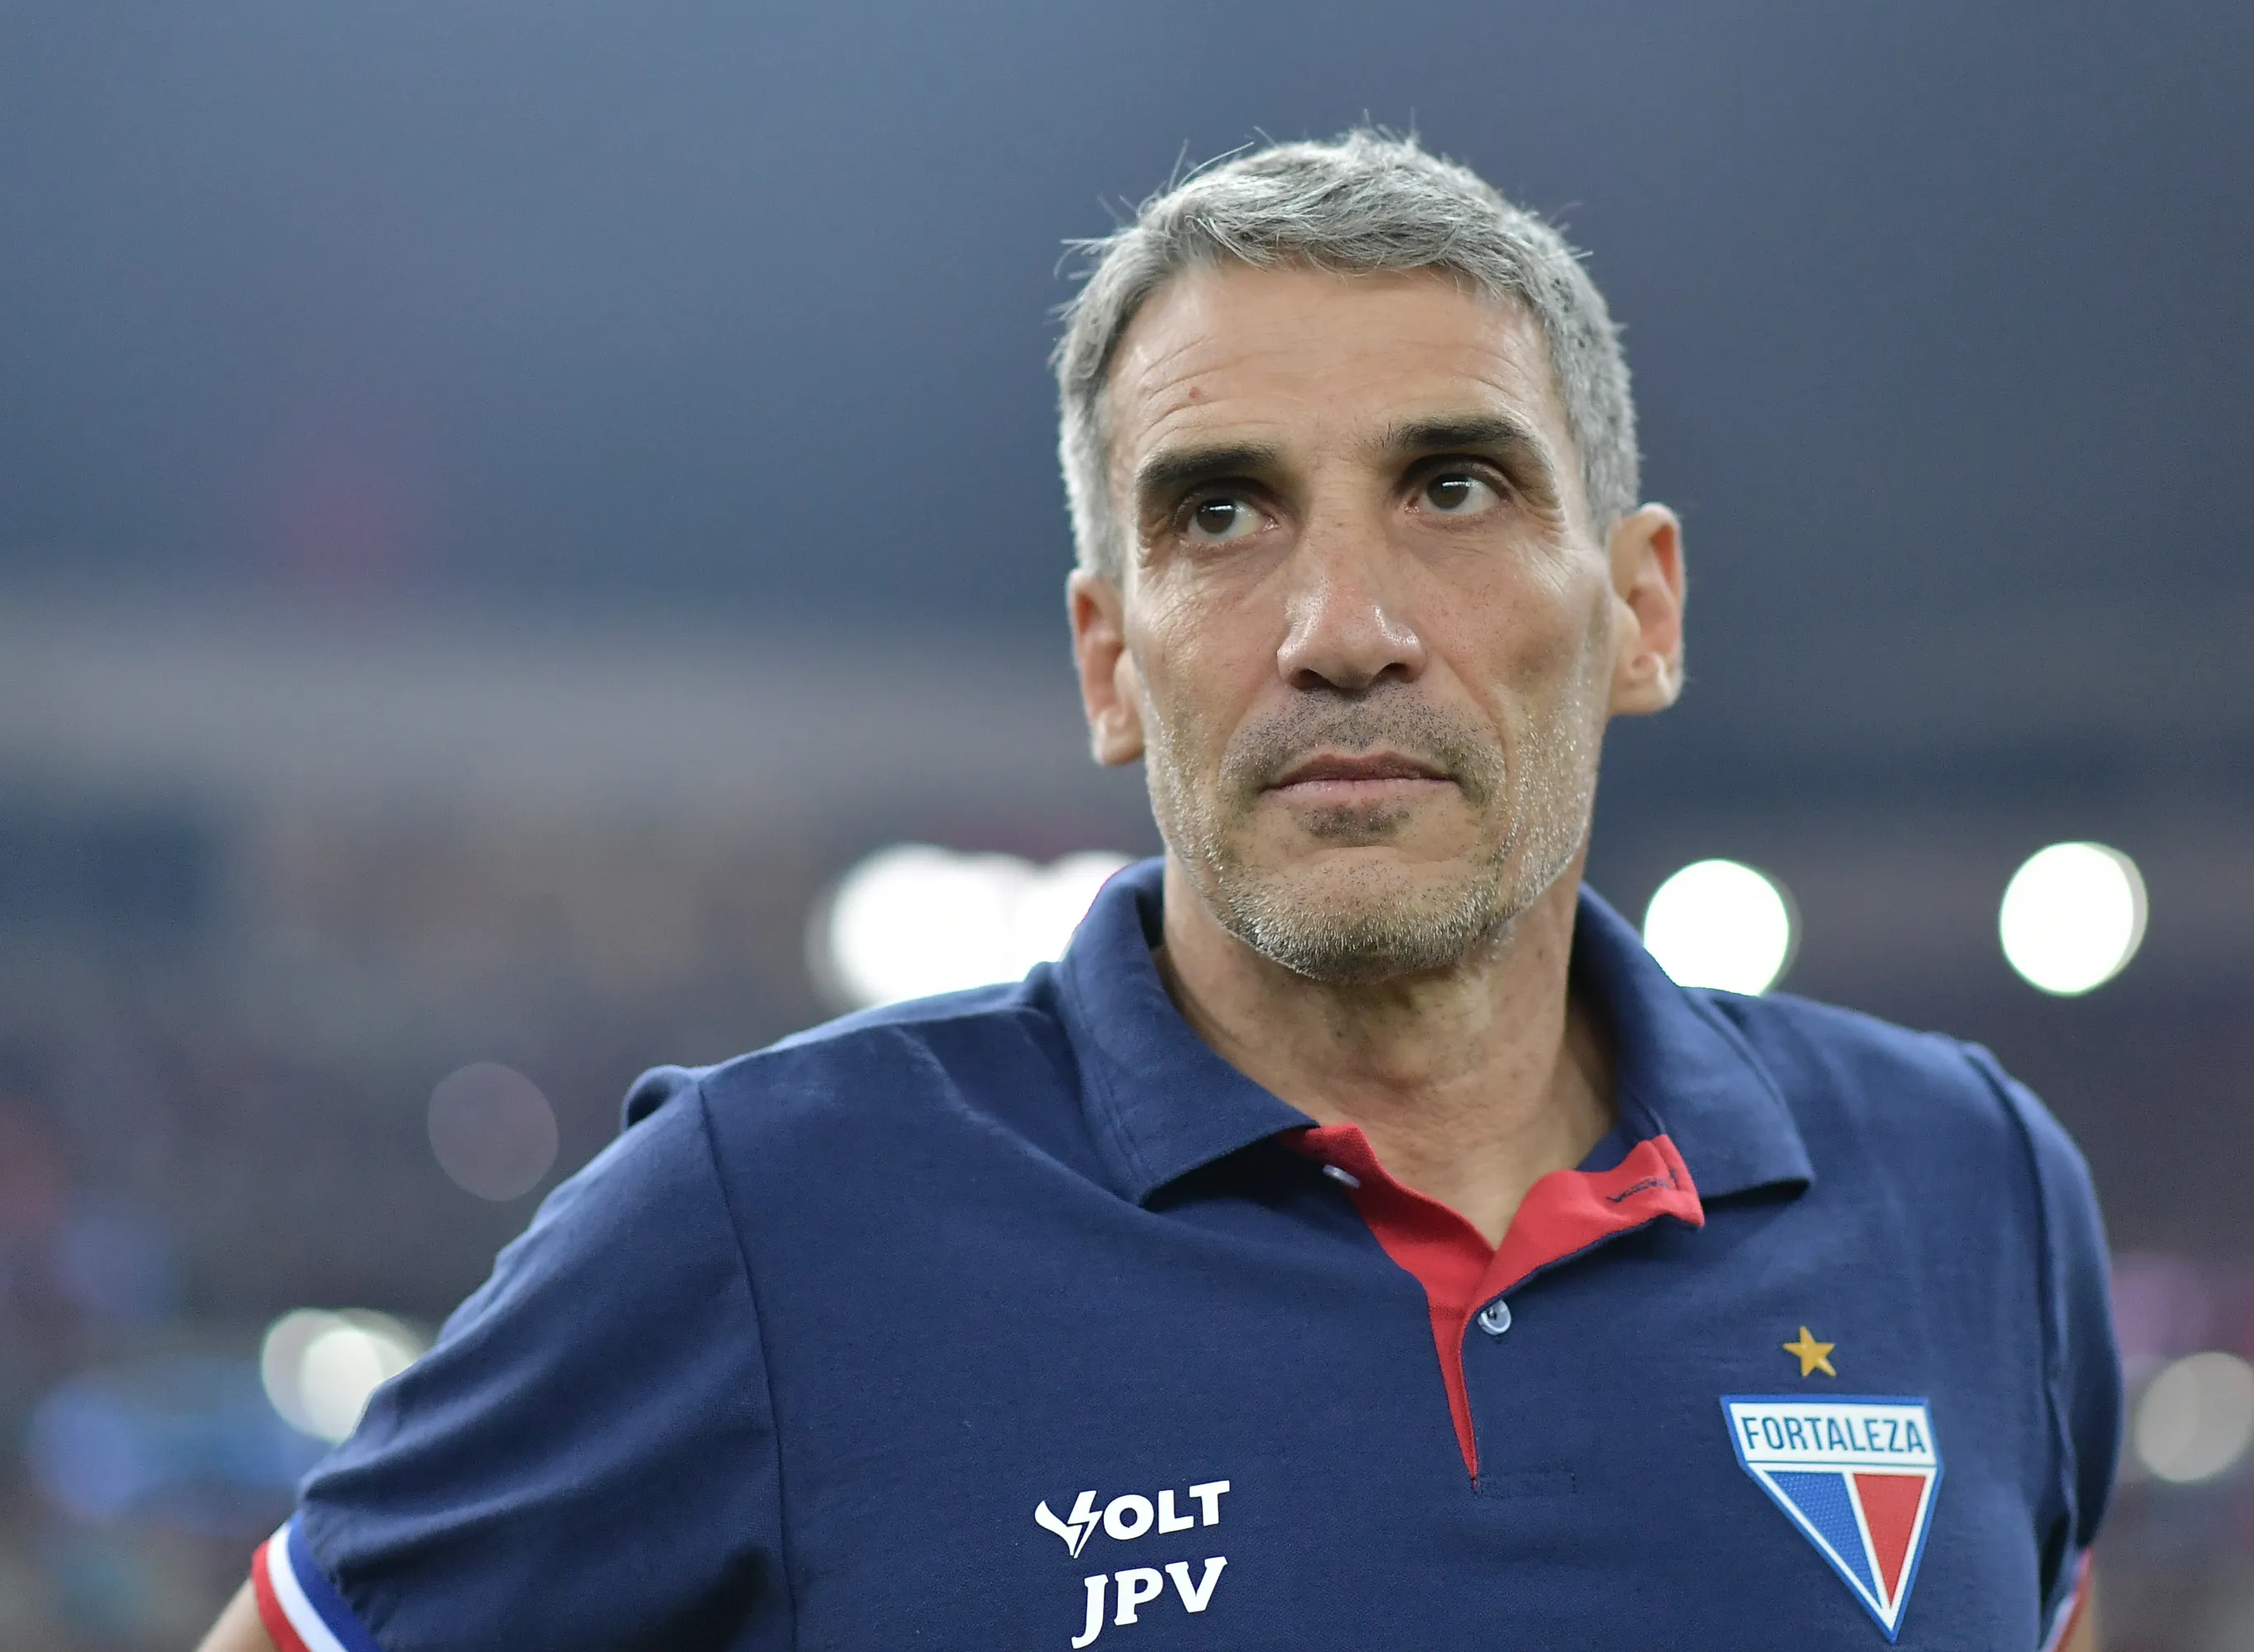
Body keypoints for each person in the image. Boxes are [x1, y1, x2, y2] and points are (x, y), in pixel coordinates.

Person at [203, 131, 2116, 1652]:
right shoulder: (763, 1221)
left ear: (1643, 606)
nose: (1342, 630)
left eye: (1453, 489)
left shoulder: (1976, 1195)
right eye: (1222, 512)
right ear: (1112, 660)